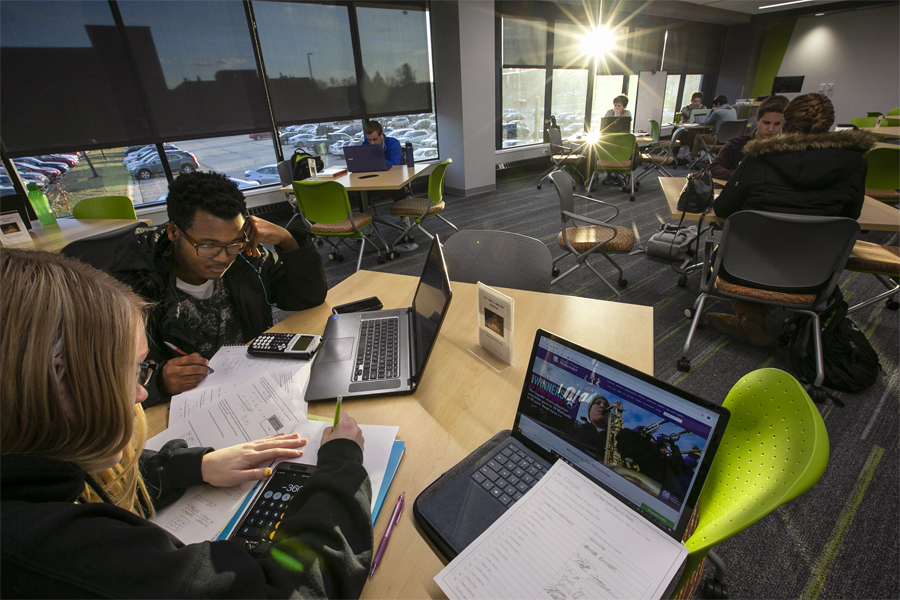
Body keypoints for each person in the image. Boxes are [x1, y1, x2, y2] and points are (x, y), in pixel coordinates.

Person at [0, 248, 373, 598]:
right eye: (130, 373)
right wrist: (342, 469)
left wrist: (192, 465)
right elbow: (292, 590)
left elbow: (105, 474)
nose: (140, 395)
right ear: (58, 380)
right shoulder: (69, 554)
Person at [109, 171, 327, 407]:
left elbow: (307, 297)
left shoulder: (246, 258)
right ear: (173, 232)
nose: (223, 258)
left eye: (234, 243)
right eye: (207, 246)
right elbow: (102, 381)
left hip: (253, 389)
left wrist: (287, 240)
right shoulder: (132, 285)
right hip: (180, 408)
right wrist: (158, 382)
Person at [707, 93, 876, 346]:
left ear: (785, 124)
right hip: (813, 273)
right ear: (829, 126)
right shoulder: (855, 164)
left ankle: (749, 314)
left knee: (737, 246)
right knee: (787, 251)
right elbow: (850, 217)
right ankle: (755, 315)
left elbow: (723, 209)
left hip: (744, 267)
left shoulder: (759, 157)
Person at [709, 95, 788, 181]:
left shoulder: (787, 149)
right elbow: (714, 169)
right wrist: (744, 175)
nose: (771, 129)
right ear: (757, 119)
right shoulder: (737, 144)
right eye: (766, 123)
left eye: (777, 124)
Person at [571, 395, 611, 461]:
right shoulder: (575, 431)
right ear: (589, 412)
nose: (602, 406)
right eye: (597, 403)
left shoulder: (617, 440)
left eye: (606, 406)